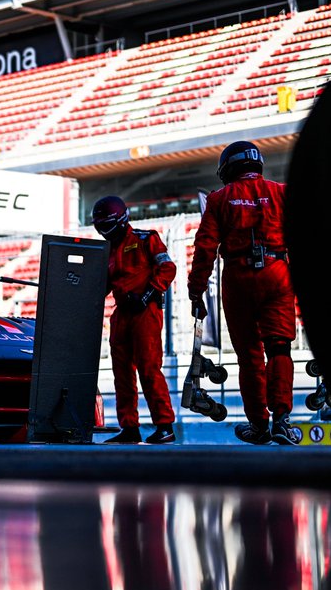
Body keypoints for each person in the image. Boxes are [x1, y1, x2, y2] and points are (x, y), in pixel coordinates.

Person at [188, 141, 300, 445]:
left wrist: (196, 290)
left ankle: (259, 426)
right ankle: (282, 420)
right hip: (277, 273)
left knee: (249, 356)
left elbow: (205, 248)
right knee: (279, 348)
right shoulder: (281, 192)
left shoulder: (219, 199)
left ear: (227, 169)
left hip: (237, 278)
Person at [93, 196, 177, 444]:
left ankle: (165, 426)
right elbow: (103, 287)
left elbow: (168, 268)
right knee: (122, 374)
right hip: (121, 314)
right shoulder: (107, 251)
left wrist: (147, 294)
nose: (102, 229)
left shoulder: (146, 239)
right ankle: (129, 428)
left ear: (120, 220)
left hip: (146, 312)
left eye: (105, 223)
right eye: (99, 224)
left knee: (149, 369)